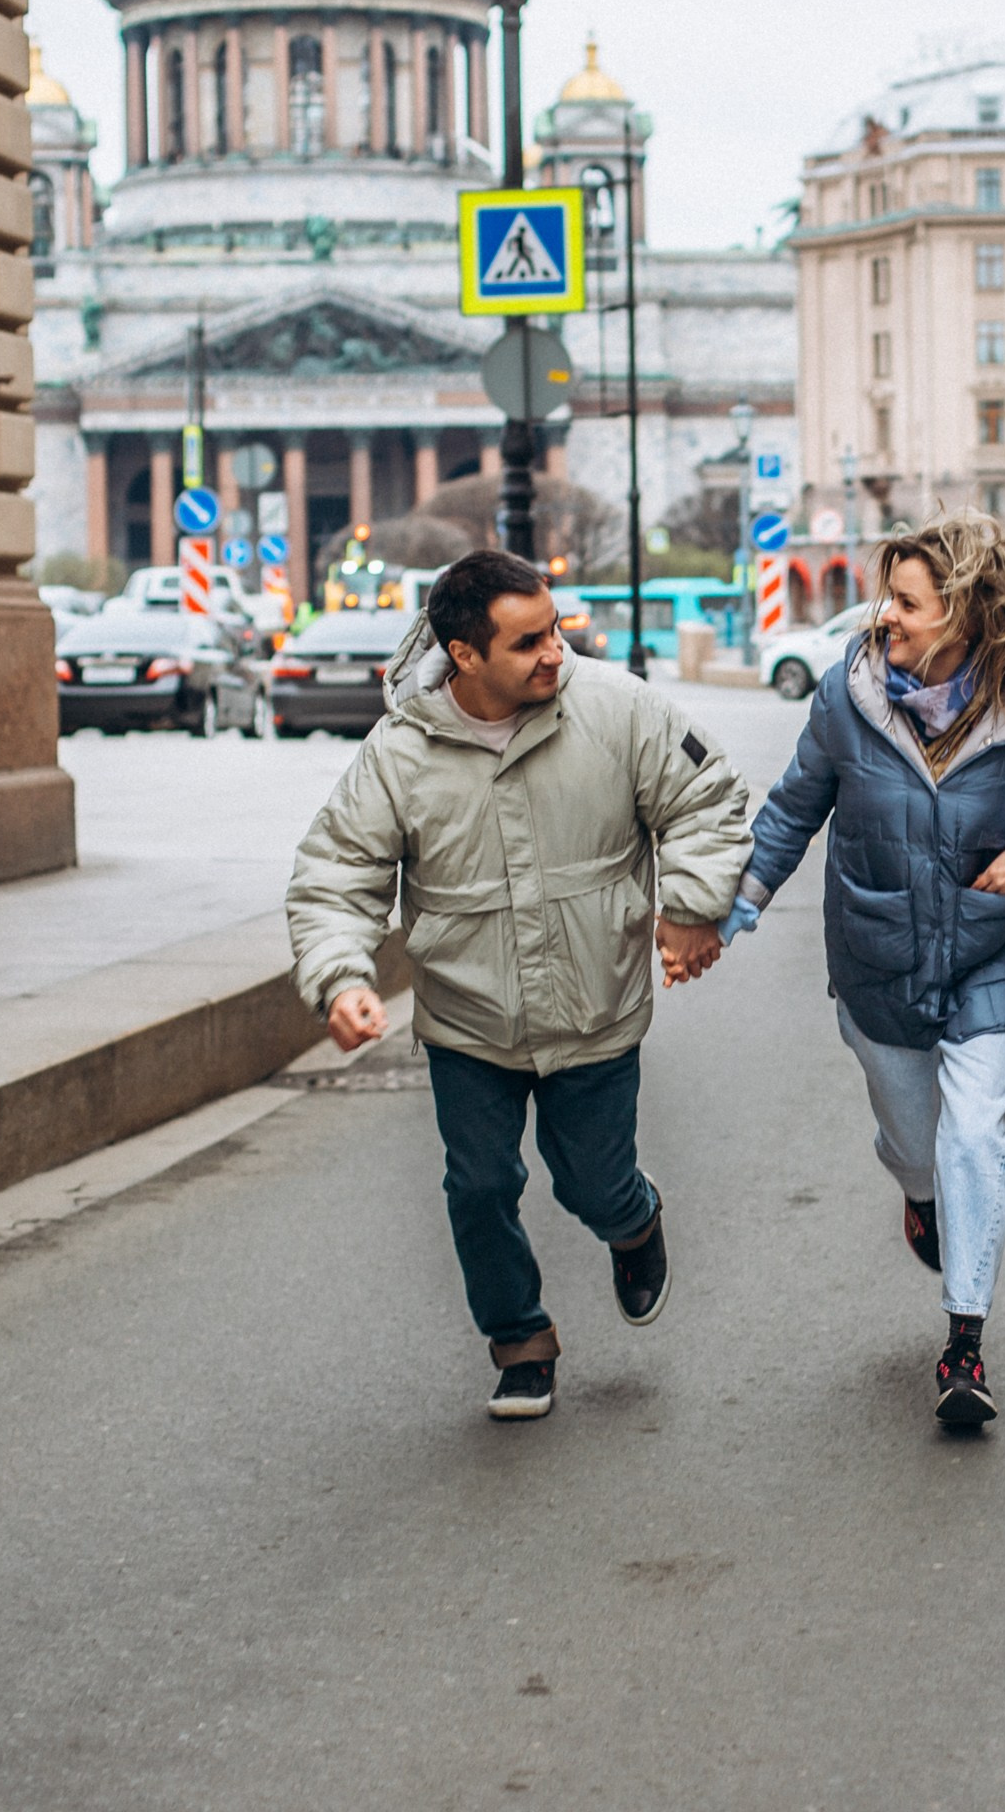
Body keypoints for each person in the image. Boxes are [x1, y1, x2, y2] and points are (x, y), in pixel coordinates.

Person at [286, 549, 752, 1422]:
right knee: (479, 1186)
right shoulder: (400, 753)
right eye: (527, 641)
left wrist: (690, 906)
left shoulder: (617, 709)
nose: (554, 653)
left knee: (591, 1183)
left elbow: (707, 797)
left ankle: (634, 1221)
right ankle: (520, 1343)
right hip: (468, 1022)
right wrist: (343, 976)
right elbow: (336, 873)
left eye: (555, 629)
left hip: (595, 1010)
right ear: (464, 655)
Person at [719, 508, 1005, 1428]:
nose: (885, 618)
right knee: (917, 1146)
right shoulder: (847, 697)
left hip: (993, 951)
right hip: (878, 960)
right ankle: (917, 1196)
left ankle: (965, 1342)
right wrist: (732, 912)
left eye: (906, 602)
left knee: (975, 1133)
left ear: (967, 614)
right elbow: (791, 813)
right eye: (887, 598)